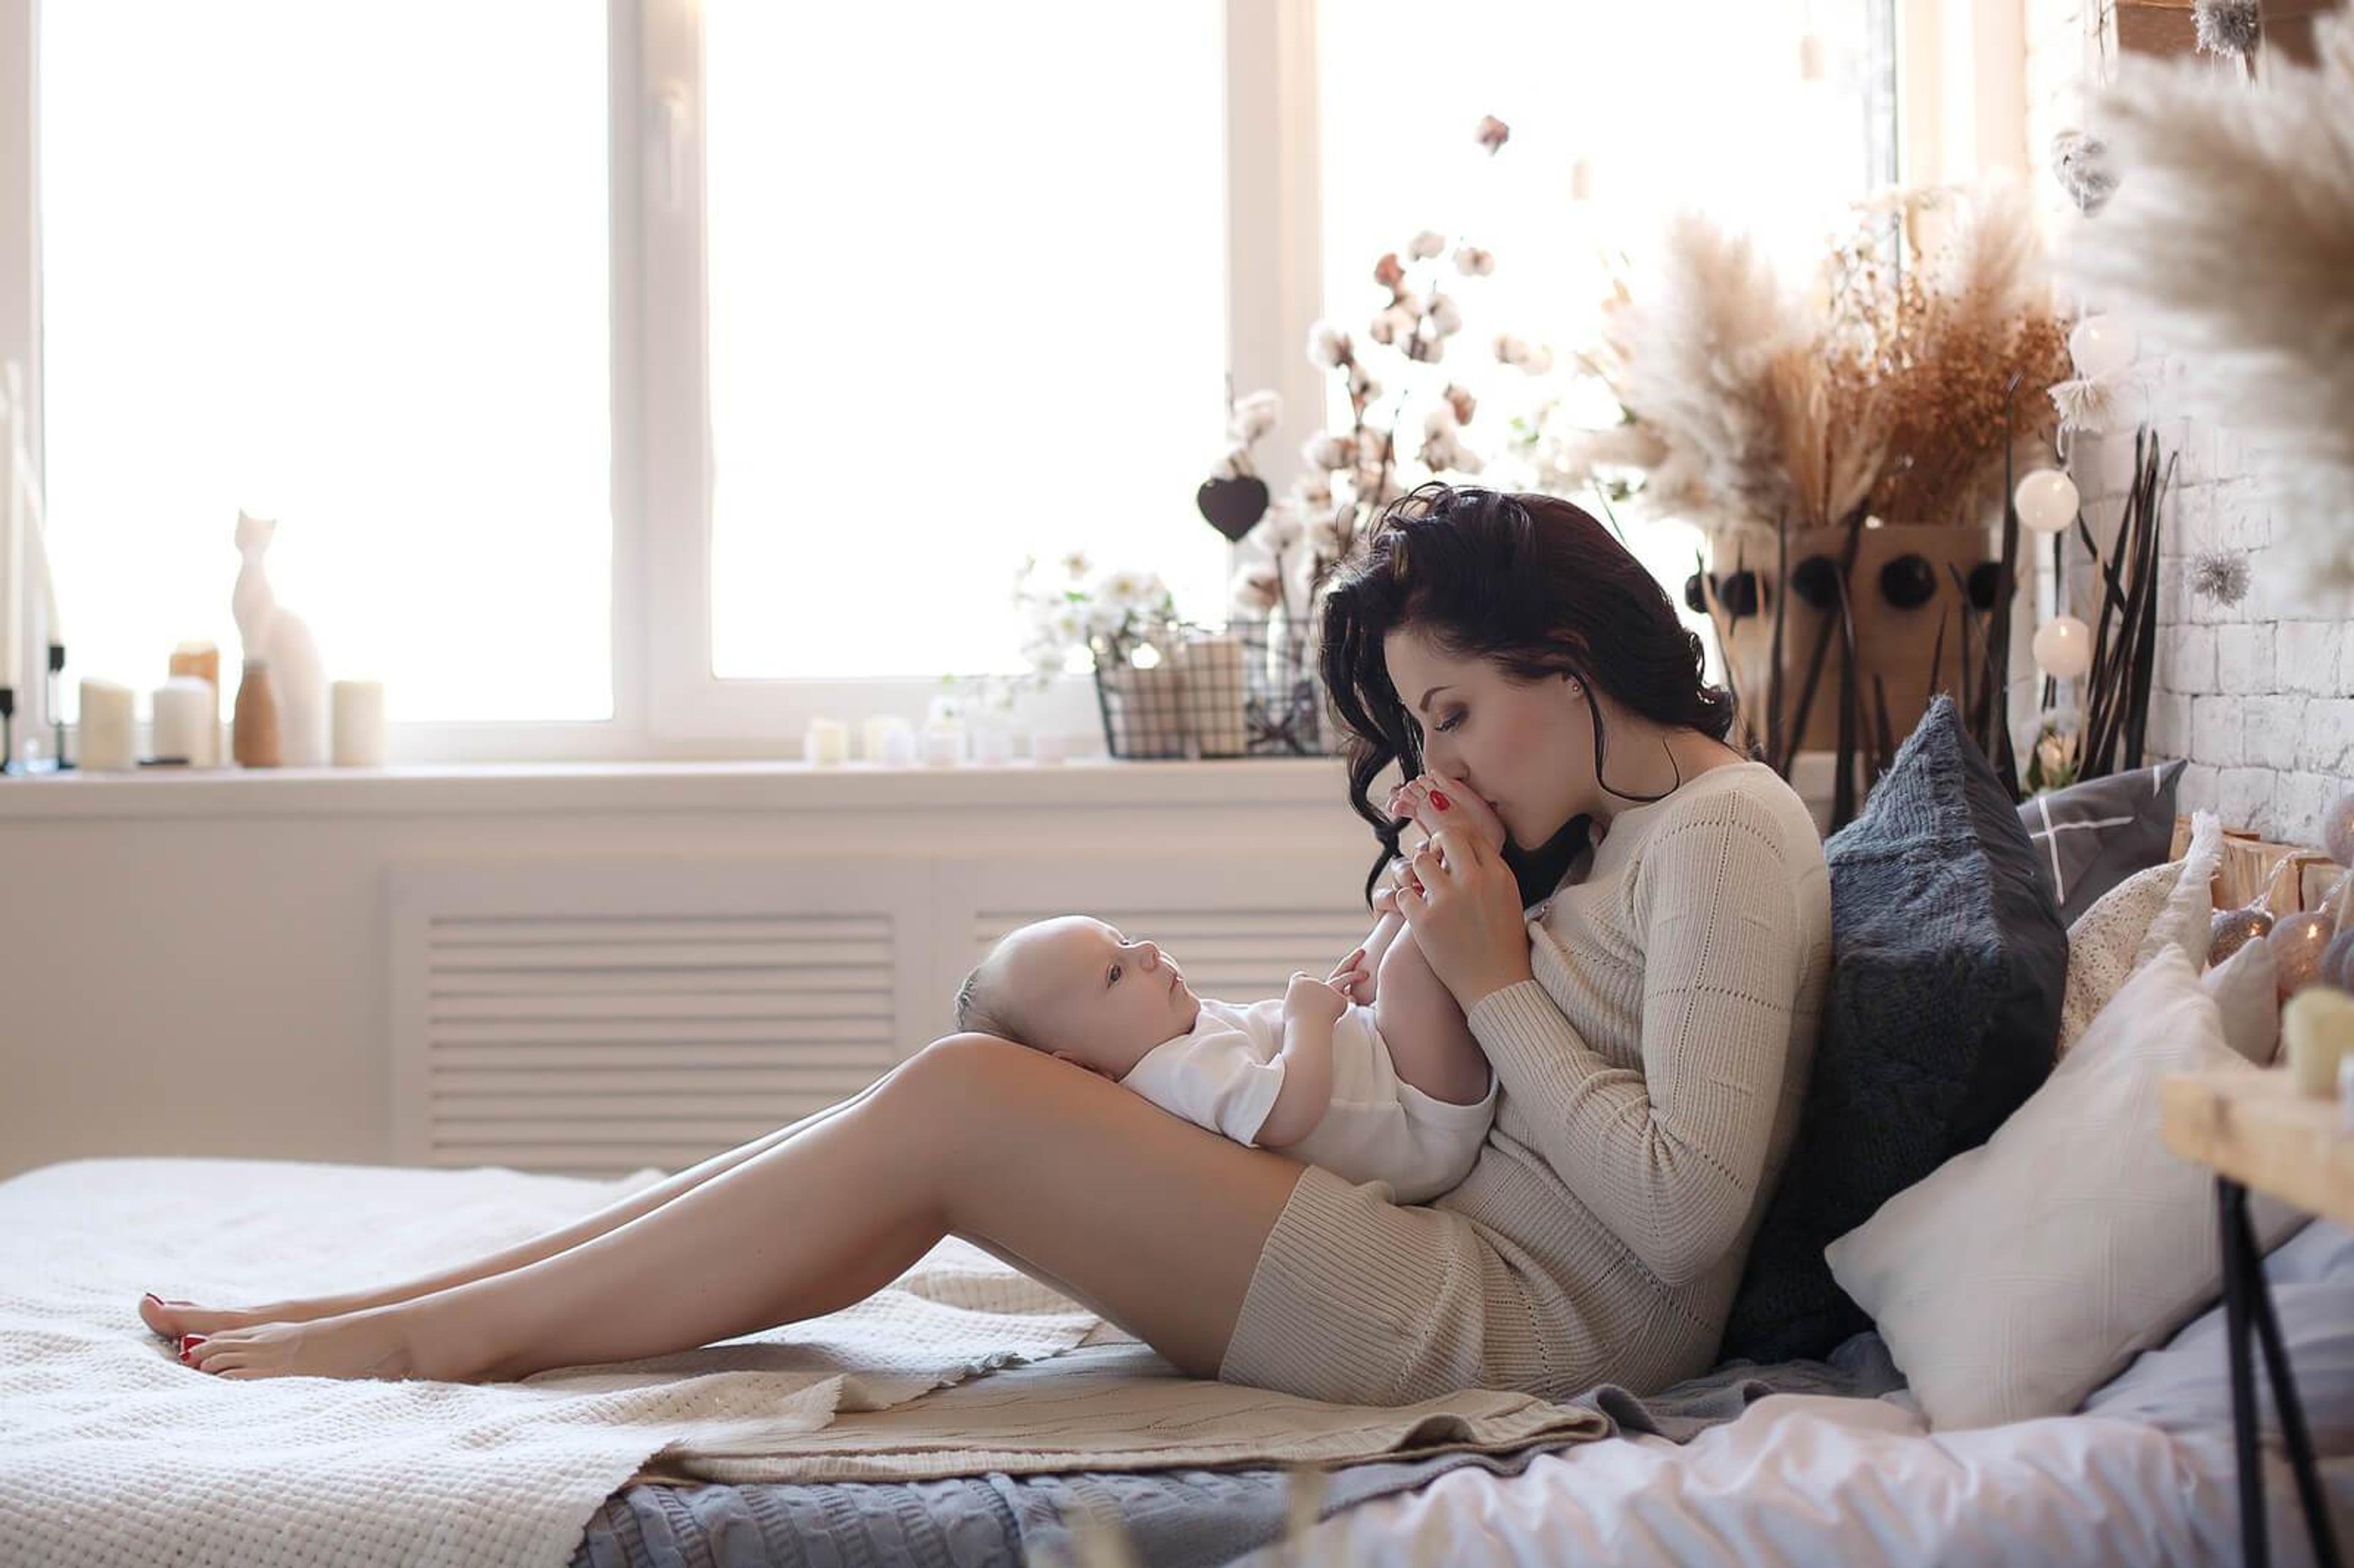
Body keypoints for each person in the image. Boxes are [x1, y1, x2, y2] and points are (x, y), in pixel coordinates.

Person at [142, 484, 1832, 1407]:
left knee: (962, 1098)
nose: (1433, 765)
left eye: (1454, 709)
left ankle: (440, 1334)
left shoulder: (1735, 829)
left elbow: (1687, 1214)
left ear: (1568, 649)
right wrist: (1448, 973)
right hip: (1434, 1241)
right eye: (1419, 726)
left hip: (1526, 1322)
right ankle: (409, 1302)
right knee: (952, 1091)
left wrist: (1491, 981)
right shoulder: (1604, 835)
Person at [947, 771, 1511, 1205]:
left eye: (1125, 942)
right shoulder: (1177, 1073)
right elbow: (1290, 1112)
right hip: (1420, 1123)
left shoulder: (1180, 1042)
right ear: (1085, 1069)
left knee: (1386, 949)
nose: (1145, 953)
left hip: (1389, 1068)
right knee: (1406, 969)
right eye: (1114, 974)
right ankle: (1474, 853)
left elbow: (1314, 1050)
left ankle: (1445, 869)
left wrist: (1345, 986)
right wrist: (1310, 1021)